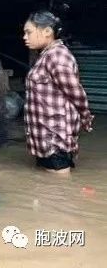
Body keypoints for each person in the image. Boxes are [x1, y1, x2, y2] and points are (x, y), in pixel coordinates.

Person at [23, 11, 93, 174]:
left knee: (58, 190)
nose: (25, 37)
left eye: (29, 32)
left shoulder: (57, 56)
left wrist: (85, 117)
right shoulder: (45, 56)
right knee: (47, 187)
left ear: (47, 31)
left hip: (55, 137)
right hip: (45, 137)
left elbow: (76, 93)